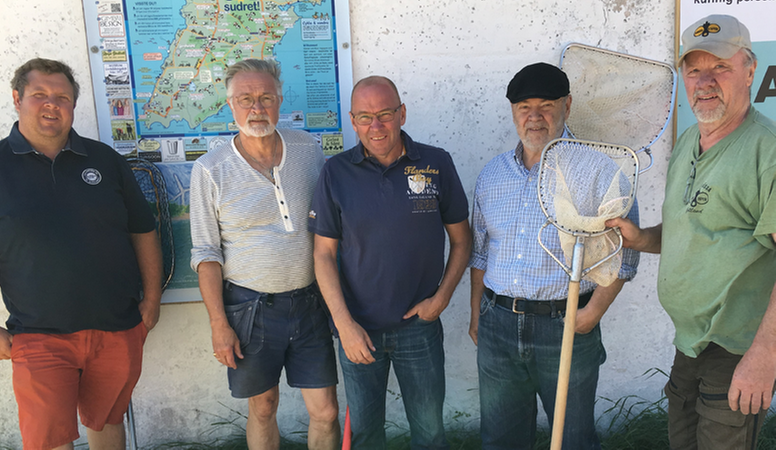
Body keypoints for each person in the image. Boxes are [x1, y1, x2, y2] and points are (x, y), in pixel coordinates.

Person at [607, 15, 776, 449]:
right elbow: (693, 226)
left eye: (720, 67)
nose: (705, 81)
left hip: (736, 348)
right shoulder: (687, 143)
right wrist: (642, 238)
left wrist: (765, 355)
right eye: (694, 69)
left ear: (750, 71)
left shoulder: (768, 150)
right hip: (690, 345)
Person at [0, 58, 162, 450]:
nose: (52, 104)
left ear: (73, 105)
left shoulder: (105, 161)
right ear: (17, 99)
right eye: (39, 94)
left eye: (62, 96)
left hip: (117, 328)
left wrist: (152, 300)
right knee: (48, 439)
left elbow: (143, 230)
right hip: (37, 337)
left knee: (108, 422)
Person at [469, 62, 640, 450]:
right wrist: (478, 313)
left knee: (573, 439)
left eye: (546, 106)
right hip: (498, 325)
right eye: (524, 107)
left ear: (568, 105)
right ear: (513, 111)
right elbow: (480, 253)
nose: (534, 117)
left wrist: (591, 315)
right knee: (500, 440)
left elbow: (625, 257)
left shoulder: (598, 172)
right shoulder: (493, 175)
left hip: (565, 325)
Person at [309, 75, 472, 449]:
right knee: (366, 436)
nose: (376, 126)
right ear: (353, 122)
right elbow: (323, 254)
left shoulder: (435, 163)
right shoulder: (336, 172)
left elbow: (462, 241)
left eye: (384, 114)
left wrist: (441, 299)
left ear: (402, 113)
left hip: (419, 327)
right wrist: (344, 325)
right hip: (358, 330)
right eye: (365, 117)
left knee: (430, 433)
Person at [190, 59, 339, 450]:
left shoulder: (307, 150)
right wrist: (219, 324)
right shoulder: (210, 169)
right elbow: (206, 254)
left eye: (265, 98)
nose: (256, 108)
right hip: (249, 309)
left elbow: (329, 223)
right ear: (230, 104)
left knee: (326, 411)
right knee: (263, 407)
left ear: (279, 100)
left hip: (309, 303)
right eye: (245, 99)